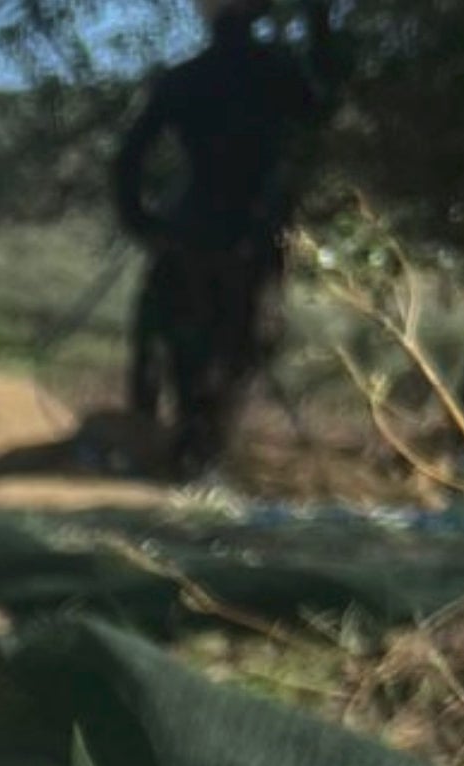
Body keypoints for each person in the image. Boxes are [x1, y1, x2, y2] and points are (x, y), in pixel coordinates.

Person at [113, 0, 345, 477]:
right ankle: (203, 453)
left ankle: (171, 443)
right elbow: (324, 106)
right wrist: (319, 21)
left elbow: (127, 159)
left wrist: (144, 224)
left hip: (188, 230)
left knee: (177, 343)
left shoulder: (183, 79)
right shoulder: (279, 72)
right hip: (254, 233)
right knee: (240, 347)